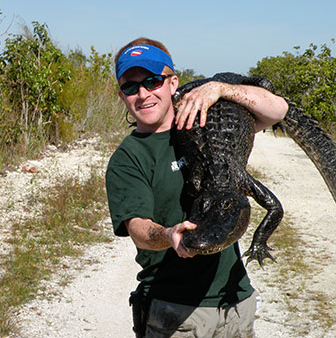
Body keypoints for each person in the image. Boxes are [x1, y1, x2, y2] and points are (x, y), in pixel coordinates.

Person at [105, 37, 288, 338]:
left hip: (236, 301)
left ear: (172, 83)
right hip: (175, 311)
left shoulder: (204, 119)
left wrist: (220, 88)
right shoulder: (128, 158)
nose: (143, 94)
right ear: (122, 95)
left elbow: (277, 110)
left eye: (152, 81)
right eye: (130, 86)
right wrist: (167, 234)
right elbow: (137, 228)